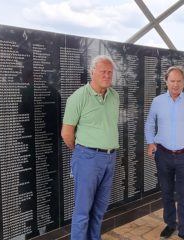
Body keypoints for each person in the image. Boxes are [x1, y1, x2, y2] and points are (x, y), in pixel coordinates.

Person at [61, 55, 119, 240]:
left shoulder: (114, 96)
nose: (107, 75)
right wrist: (81, 151)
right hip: (87, 158)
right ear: (92, 72)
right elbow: (66, 133)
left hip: (110, 158)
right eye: (103, 71)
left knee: (100, 209)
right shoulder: (78, 97)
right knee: (82, 211)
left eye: (110, 72)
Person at [145, 66, 184, 240]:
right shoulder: (157, 101)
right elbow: (149, 124)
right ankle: (170, 224)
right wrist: (150, 142)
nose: (175, 85)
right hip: (163, 155)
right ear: (166, 82)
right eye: (172, 81)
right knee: (167, 191)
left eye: (179, 81)